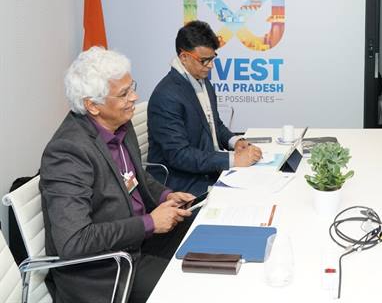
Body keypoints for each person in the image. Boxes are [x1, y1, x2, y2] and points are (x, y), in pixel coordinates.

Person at [40, 47, 196, 302]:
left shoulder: (120, 123)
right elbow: (74, 241)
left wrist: (166, 196)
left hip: (135, 242)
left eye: (131, 87)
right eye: (124, 94)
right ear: (93, 105)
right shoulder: (68, 152)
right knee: (189, 287)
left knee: (200, 230)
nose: (135, 97)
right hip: (104, 270)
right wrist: (149, 223)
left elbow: (135, 178)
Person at [147, 21, 262, 196]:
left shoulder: (201, 80)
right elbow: (179, 155)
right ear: (183, 57)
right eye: (204, 60)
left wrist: (235, 142)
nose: (210, 65)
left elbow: (214, 124)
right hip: (182, 184)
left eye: (212, 58)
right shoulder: (166, 96)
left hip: (208, 170)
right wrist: (233, 159)